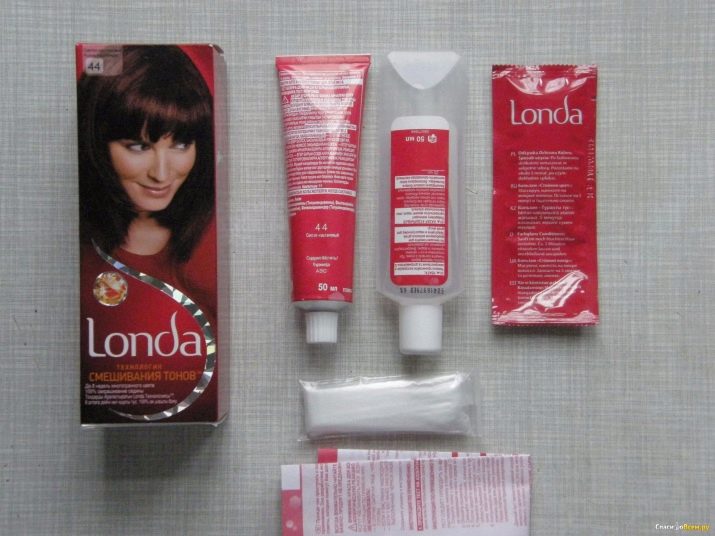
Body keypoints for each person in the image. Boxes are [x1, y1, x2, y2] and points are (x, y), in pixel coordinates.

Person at [78, 45, 216, 323]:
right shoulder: (82, 254)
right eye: (139, 147)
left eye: (181, 144)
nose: (161, 174)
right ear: (96, 142)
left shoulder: (209, 246)